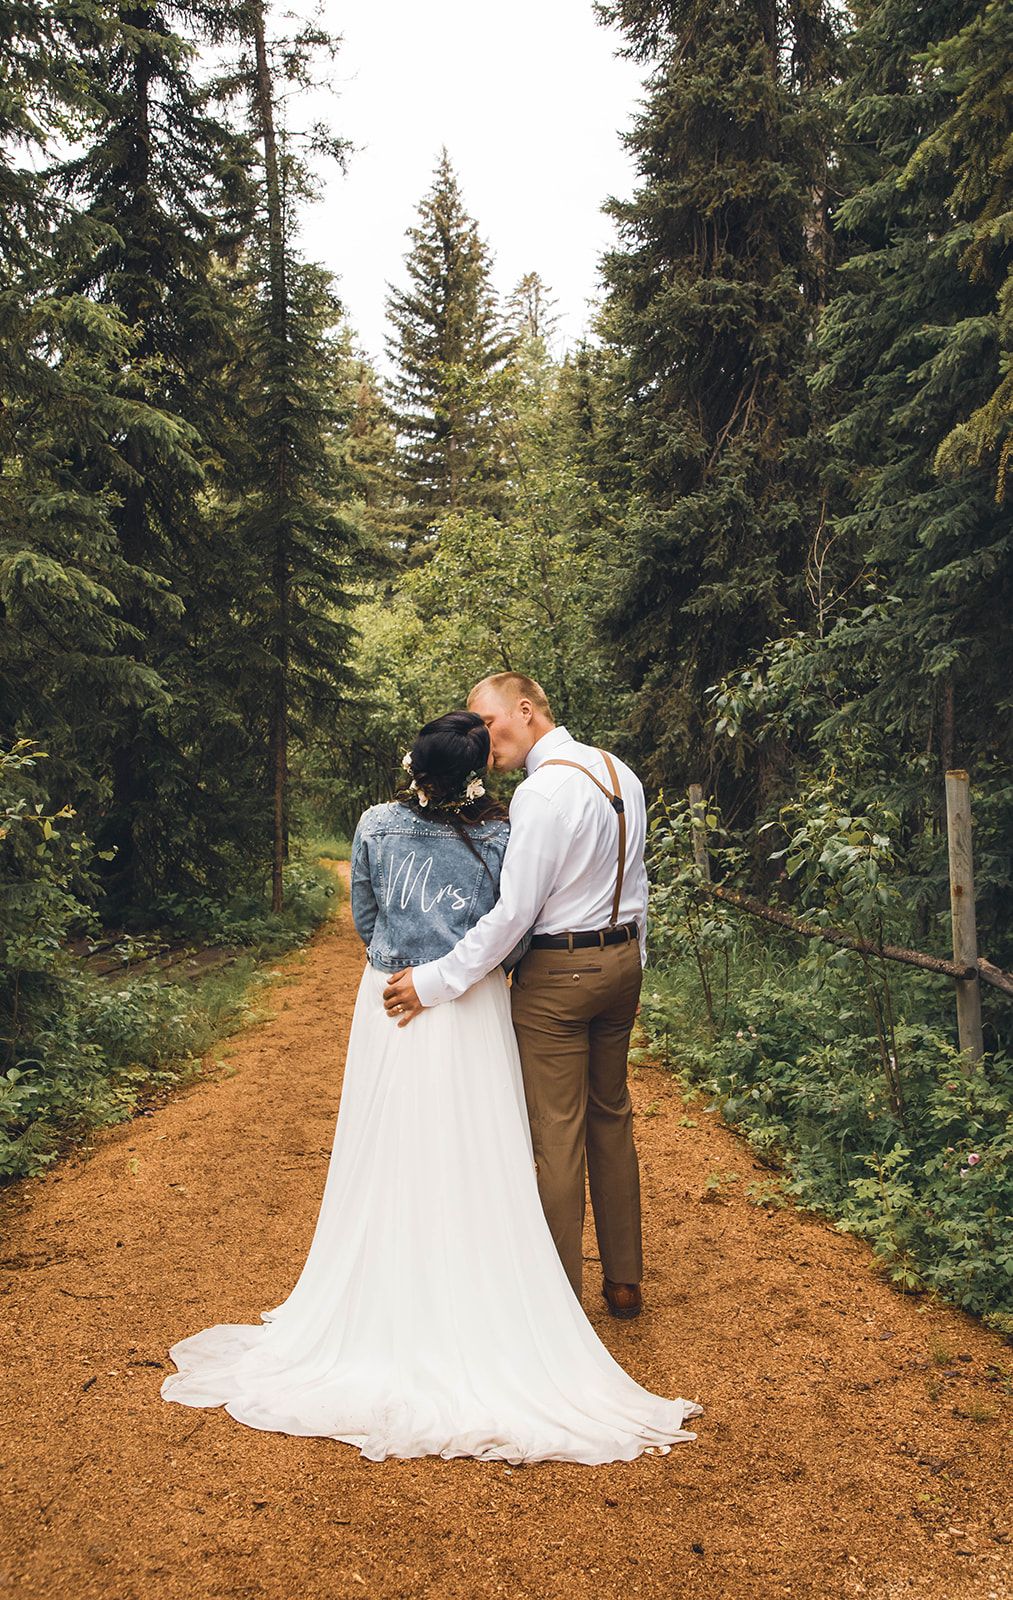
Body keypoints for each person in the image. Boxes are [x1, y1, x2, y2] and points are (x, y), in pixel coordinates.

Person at [161, 710, 700, 1463]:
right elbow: (515, 923)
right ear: (480, 768)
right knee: (478, 1142)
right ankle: (507, 1281)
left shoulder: (375, 823)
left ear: (415, 768)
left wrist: (399, 964)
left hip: (390, 997)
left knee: (388, 1141)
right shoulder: (506, 829)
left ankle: (389, 1278)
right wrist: (465, 975)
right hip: (470, 999)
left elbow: (366, 915)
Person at [382, 674, 648, 1317]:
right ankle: (623, 1281)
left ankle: (557, 1299)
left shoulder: (542, 793)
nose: (480, 736)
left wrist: (435, 980)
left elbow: (512, 915)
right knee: (611, 1116)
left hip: (560, 977)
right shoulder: (621, 773)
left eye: (487, 720)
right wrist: (634, 956)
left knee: (557, 1132)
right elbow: (639, 879)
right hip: (623, 964)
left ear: (525, 711)